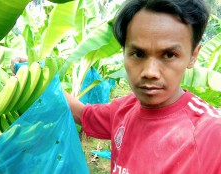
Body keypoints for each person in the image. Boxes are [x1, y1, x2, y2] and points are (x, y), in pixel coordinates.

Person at [64, 0, 221, 173]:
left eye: (169, 55)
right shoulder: (122, 110)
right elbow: (81, 113)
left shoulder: (210, 134)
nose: (150, 72)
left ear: (193, 55)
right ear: (124, 52)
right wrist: (38, 76)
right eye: (138, 54)